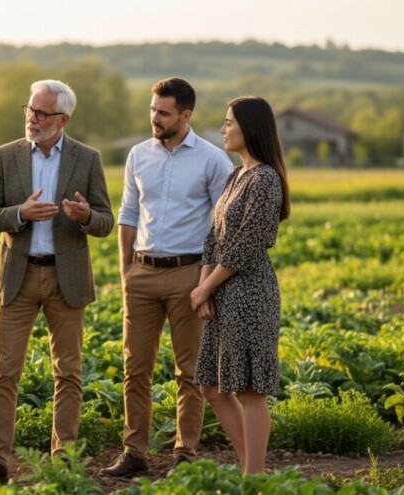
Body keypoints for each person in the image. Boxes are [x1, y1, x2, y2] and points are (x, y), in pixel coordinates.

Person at [0, 80, 114, 488]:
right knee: (4, 372)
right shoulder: (5, 155)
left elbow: (106, 220)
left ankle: (62, 461)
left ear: (63, 119)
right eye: (30, 110)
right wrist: (20, 213)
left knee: (68, 372)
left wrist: (86, 217)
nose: (32, 118)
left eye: (41, 113)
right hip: (17, 276)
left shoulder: (88, 158)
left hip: (66, 278)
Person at [100, 77, 232, 479]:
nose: (154, 118)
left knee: (188, 371)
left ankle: (184, 454)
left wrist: (206, 284)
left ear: (185, 115)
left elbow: (223, 227)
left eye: (163, 112)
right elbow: (128, 213)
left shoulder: (213, 160)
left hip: (189, 275)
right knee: (134, 367)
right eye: (152, 110)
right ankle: (134, 452)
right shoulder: (138, 155)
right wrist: (126, 269)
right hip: (141, 273)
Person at [190, 96, 290, 474]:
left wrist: (205, 288)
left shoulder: (265, 179)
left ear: (250, 127)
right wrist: (204, 287)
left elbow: (248, 244)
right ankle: (254, 470)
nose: (223, 129)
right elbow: (214, 238)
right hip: (222, 290)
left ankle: (253, 478)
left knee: (249, 390)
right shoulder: (236, 176)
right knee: (212, 387)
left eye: (229, 122)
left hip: (250, 293)